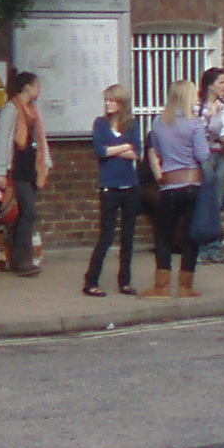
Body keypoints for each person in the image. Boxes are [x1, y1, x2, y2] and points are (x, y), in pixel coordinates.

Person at [142, 80, 209, 298]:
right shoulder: (196, 124)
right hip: (192, 184)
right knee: (190, 236)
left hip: (169, 185)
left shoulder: (158, 123)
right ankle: (186, 286)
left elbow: (158, 151)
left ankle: (161, 286)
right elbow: (202, 155)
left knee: (163, 235)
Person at [83, 85, 145, 299]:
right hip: (109, 187)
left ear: (122, 103)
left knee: (128, 237)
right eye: (106, 100)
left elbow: (137, 152)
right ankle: (91, 281)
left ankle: (125, 281)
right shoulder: (100, 124)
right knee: (106, 236)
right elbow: (101, 151)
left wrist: (116, 149)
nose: (108, 103)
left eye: (112, 100)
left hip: (130, 187)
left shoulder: (132, 124)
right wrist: (123, 147)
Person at [0, 71, 51, 276]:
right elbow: (3, 140)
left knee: (24, 214)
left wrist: (45, 163)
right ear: (27, 87)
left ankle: (18, 257)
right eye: (37, 86)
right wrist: (1, 170)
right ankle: (22, 259)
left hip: (30, 169)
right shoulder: (11, 110)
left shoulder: (33, 110)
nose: (39, 90)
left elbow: (40, 140)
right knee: (29, 212)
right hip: (16, 170)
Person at [194, 66, 224, 267]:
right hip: (205, 155)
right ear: (210, 84)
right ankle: (202, 246)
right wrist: (210, 116)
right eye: (221, 82)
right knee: (205, 201)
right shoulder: (198, 106)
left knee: (218, 200)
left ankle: (214, 244)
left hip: (221, 152)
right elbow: (195, 130)